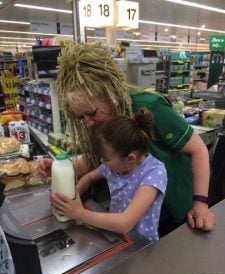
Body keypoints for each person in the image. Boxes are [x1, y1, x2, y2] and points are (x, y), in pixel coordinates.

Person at [38, 41, 215, 235]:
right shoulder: (99, 122)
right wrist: (63, 168)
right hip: (134, 217)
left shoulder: (148, 107)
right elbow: (102, 160)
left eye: (91, 113)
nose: (87, 122)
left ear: (108, 93)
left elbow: (197, 149)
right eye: (81, 117)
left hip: (173, 206)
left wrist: (200, 203)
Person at [51, 108, 167, 242]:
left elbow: (125, 223)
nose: (102, 162)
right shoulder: (112, 167)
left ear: (130, 159)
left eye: (106, 159)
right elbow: (89, 178)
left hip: (140, 245)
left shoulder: (154, 173)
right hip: (116, 235)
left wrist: (80, 214)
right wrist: (73, 194)